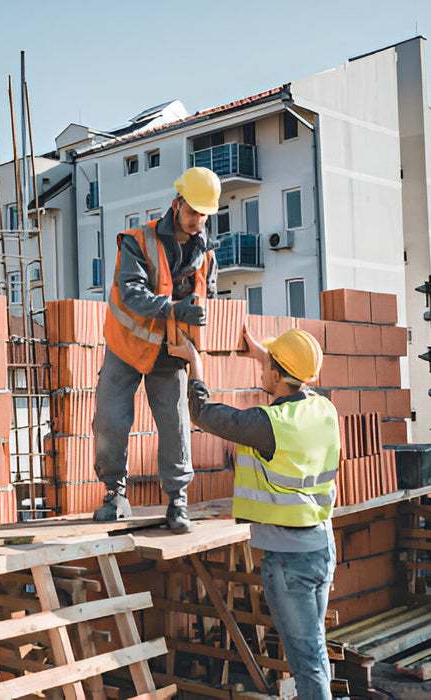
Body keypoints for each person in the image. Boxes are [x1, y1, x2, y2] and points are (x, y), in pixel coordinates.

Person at [169, 326, 340, 699]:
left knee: (306, 661)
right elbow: (289, 378)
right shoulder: (324, 409)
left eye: (268, 367)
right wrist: (263, 354)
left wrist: (195, 363)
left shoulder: (268, 425)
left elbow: (205, 414)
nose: (262, 371)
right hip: (322, 550)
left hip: (288, 562)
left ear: (278, 376)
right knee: (315, 651)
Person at [92, 166, 221, 534]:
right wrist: (174, 309)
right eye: (192, 211)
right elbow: (131, 291)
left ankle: (177, 501)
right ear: (177, 203)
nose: (197, 220)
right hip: (127, 344)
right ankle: (114, 493)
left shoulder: (208, 255)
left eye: (203, 214)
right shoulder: (138, 240)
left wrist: (195, 326)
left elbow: (206, 296)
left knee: (175, 424)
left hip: (170, 351)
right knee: (110, 419)